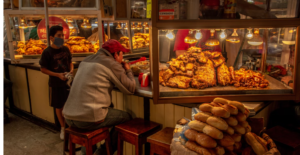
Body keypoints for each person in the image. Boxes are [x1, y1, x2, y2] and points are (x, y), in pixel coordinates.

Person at [63, 39, 135, 155]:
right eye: (122, 54)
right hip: (87, 118)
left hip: (68, 116)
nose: (123, 57)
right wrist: (128, 70)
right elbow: (130, 88)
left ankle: (86, 152)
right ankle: (101, 153)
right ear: (116, 54)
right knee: (127, 118)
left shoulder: (86, 59)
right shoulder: (111, 63)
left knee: (106, 110)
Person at [39, 25, 73, 140]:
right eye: (59, 36)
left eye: (62, 35)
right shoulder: (47, 52)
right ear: (51, 38)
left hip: (68, 82)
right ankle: (63, 128)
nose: (62, 38)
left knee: (70, 105)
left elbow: (71, 62)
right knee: (59, 107)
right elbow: (43, 69)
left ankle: (71, 126)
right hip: (55, 84)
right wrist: (57, 75)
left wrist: (71, 70)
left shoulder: (66, 49)